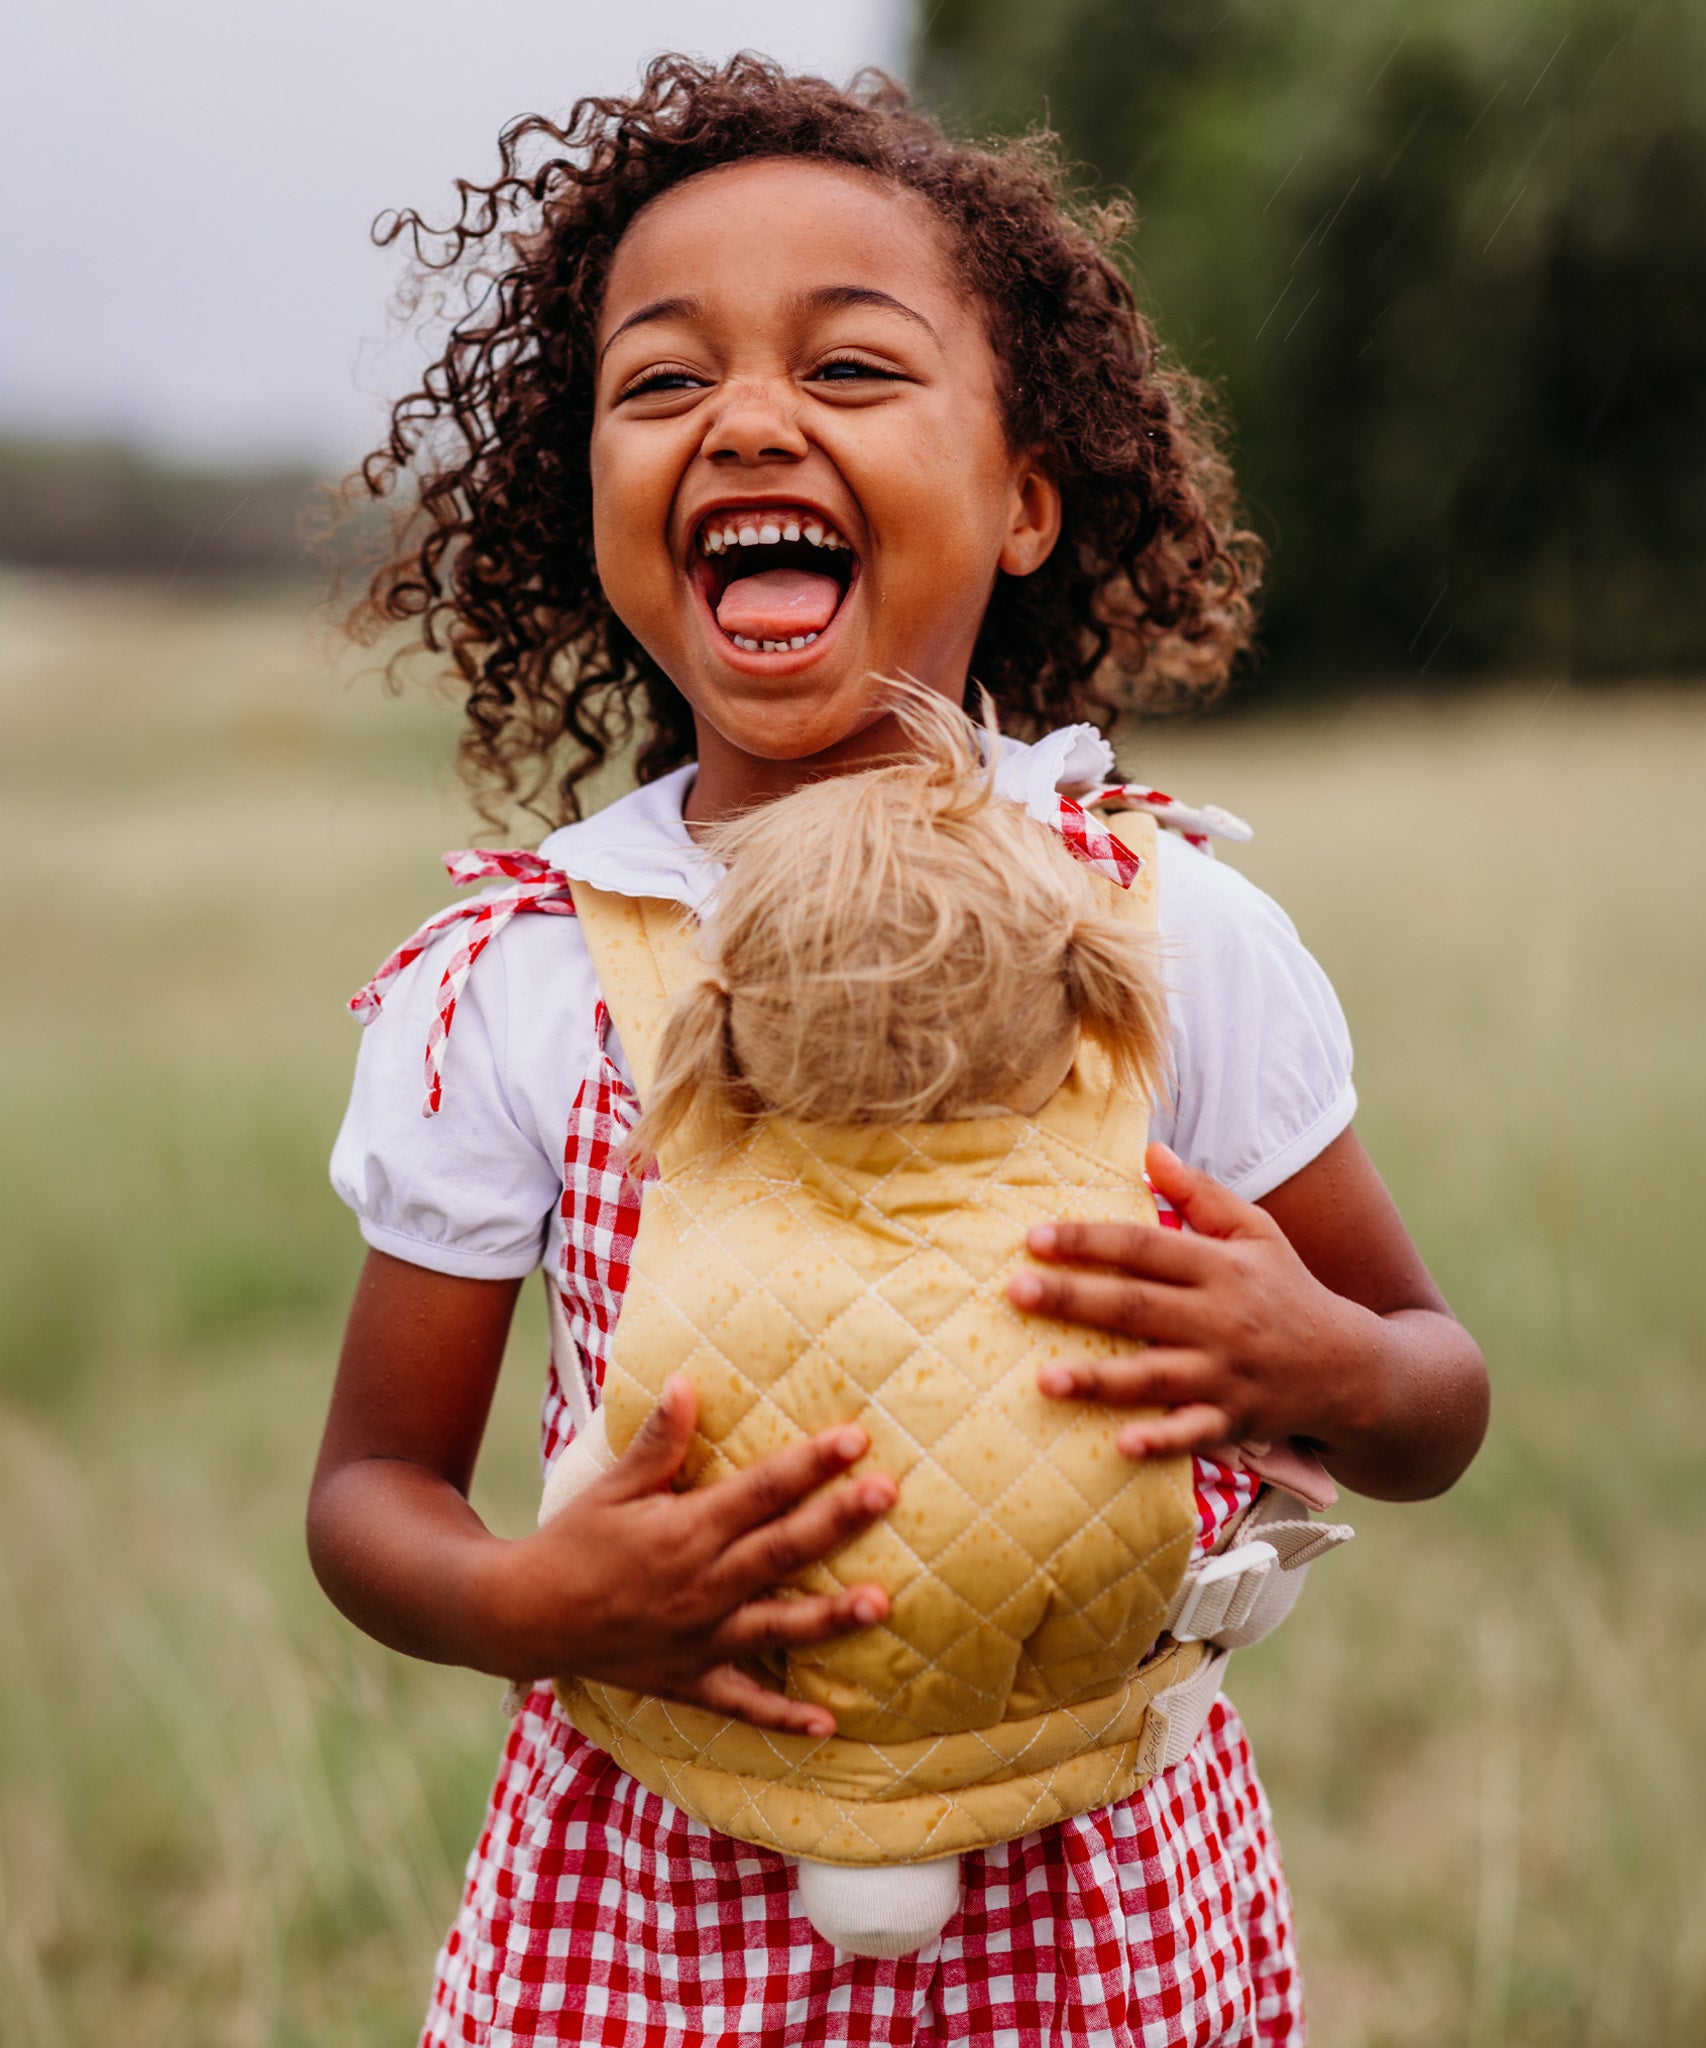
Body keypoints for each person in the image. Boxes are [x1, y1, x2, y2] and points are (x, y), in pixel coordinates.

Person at [312, 55, 1488, 2047]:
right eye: (662, 384)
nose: (749, 416)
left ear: (1028, 495)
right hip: (650, 1893)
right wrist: (530, 1603)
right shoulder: (514, 978)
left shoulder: (1167, 932)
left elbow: (1432, 1396)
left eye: (849, 372)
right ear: (582, 495)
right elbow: (372, 1485)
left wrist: (1326, 1362)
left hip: (1096, 1899)